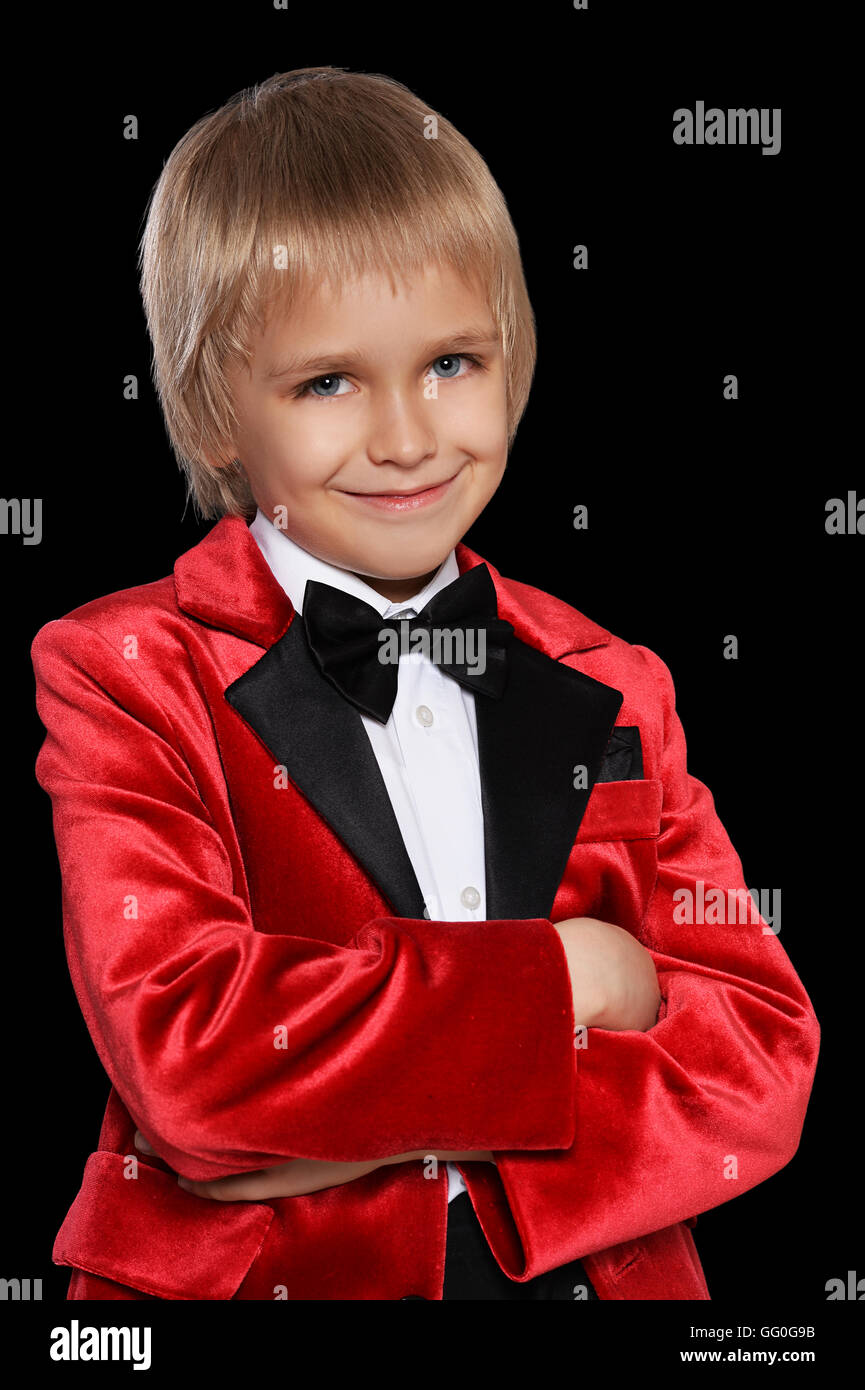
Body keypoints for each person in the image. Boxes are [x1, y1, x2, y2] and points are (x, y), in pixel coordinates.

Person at [31, 66, 819, 1301]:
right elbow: (190, 1060)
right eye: (328, 382)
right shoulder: (126, 669)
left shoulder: (616, 680)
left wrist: (333, 1136)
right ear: (214, 409)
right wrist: (568, 980)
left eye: (451, 362)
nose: (406, 436)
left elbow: (760, 1057)